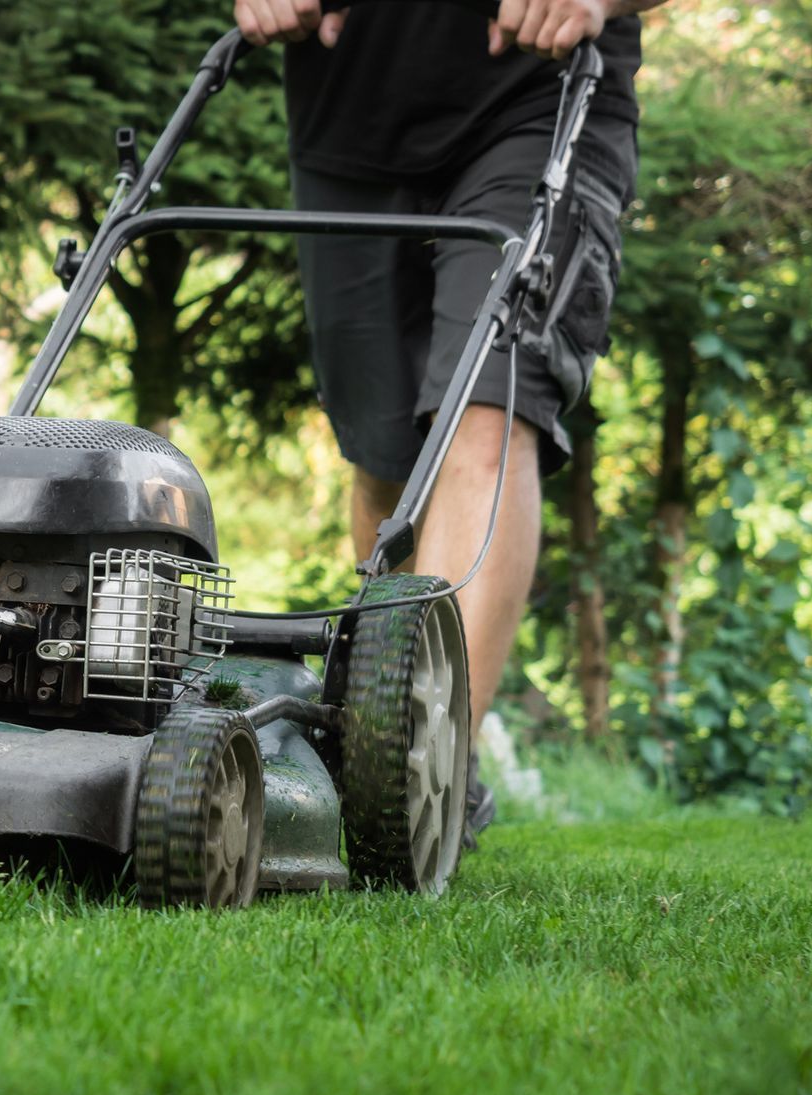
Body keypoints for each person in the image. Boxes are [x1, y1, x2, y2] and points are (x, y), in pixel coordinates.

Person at [233, 0, 667, 841]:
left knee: (490, 408)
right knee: (386, 453)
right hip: (350, 108)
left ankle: (417, 772)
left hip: (540, 99)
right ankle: (375, 734)